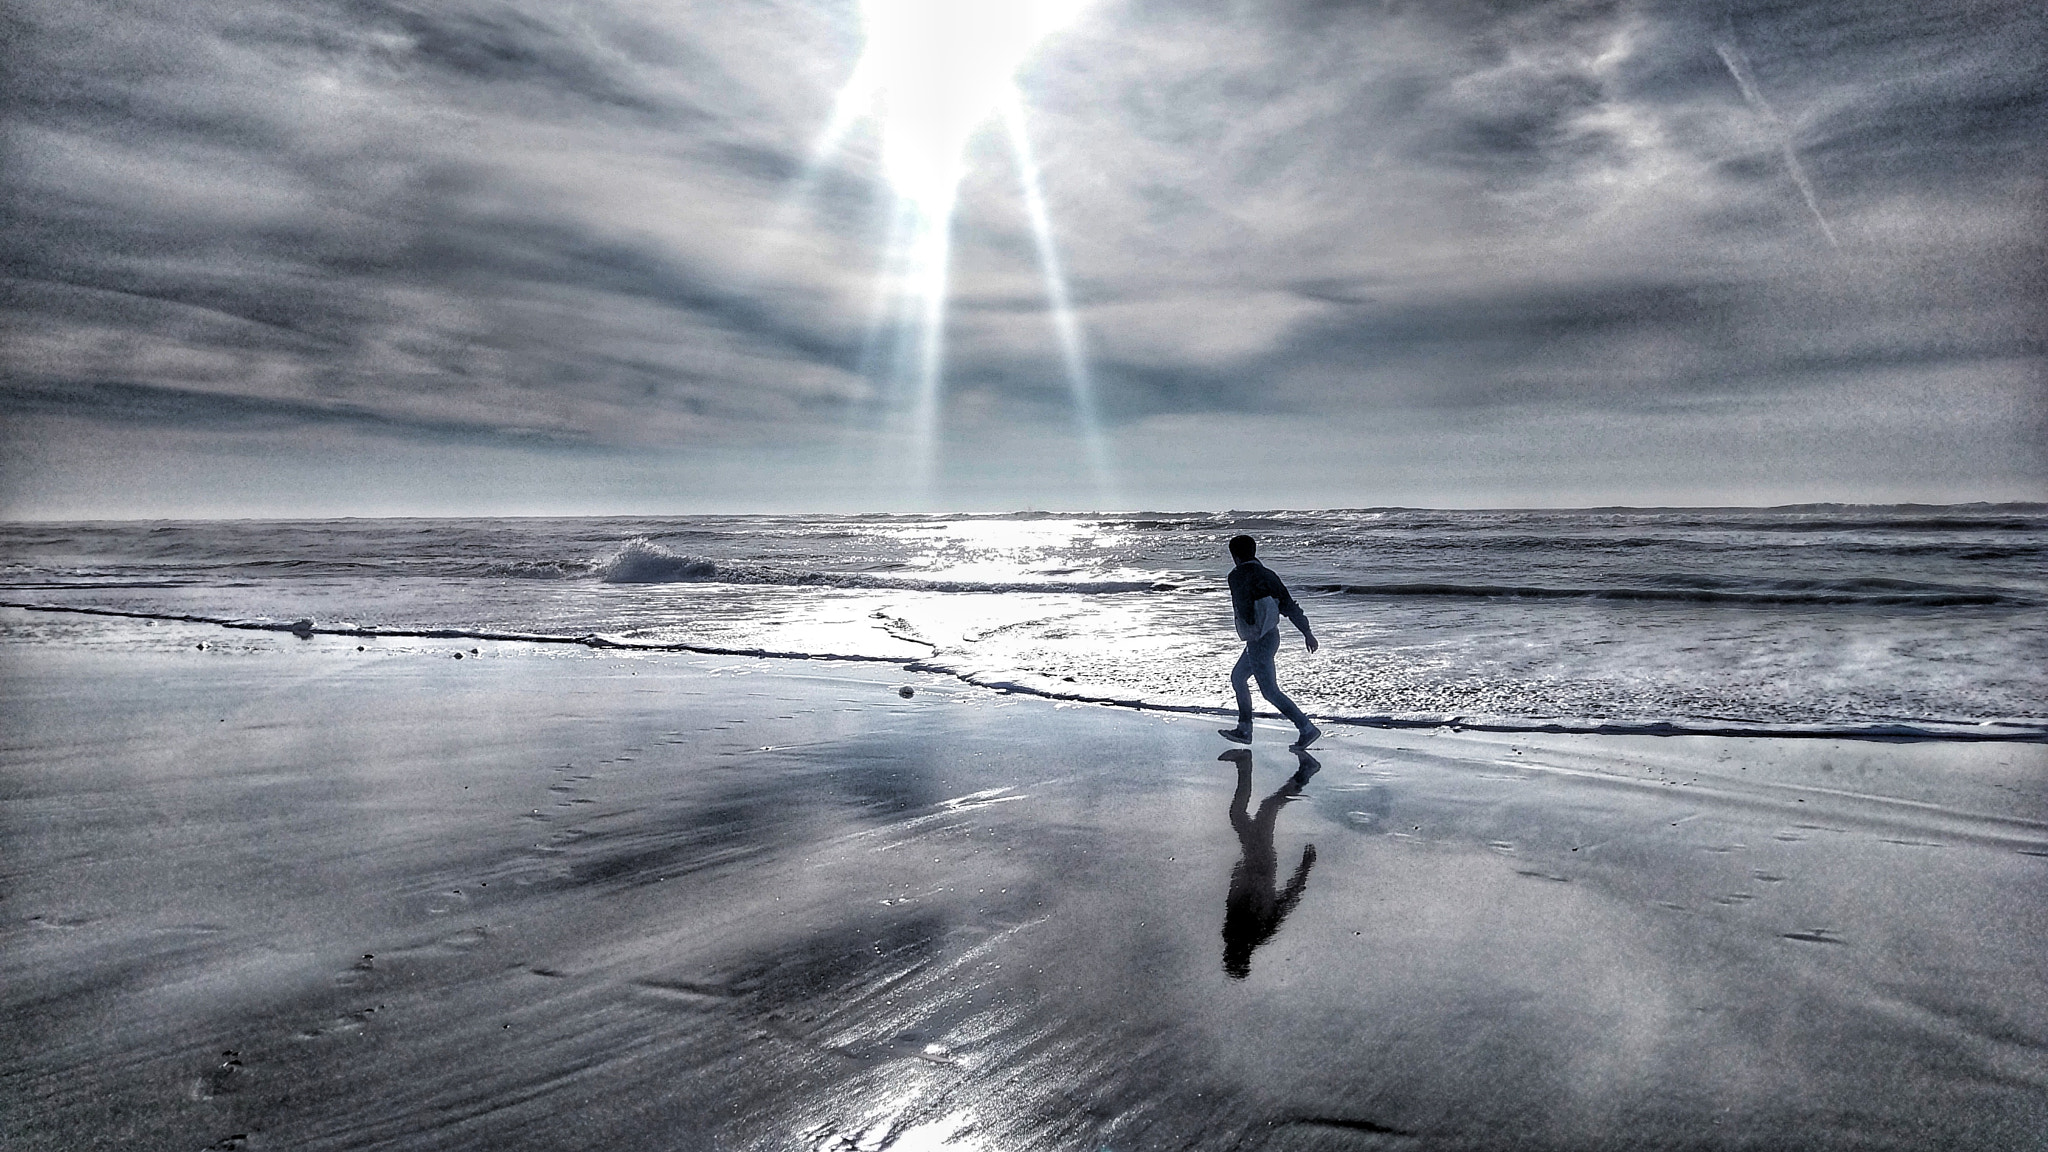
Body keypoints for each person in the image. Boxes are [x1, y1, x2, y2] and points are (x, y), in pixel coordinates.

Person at [1219, 748, 1319, 979]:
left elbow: (1233, 899)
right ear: (1244, 957)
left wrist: (1236, 874)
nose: (1229, 951)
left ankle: (1245, 763)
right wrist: (1305, 867)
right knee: (1264, 808)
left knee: (1245, 813)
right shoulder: (1259, 931)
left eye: (1229, 955)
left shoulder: (1232, 933)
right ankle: (1305, 771)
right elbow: (1287, 900)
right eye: (1233, 956)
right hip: (1261, 863)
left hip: (1253, 862)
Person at [1219, 534, 1321, 749]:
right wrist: (1307, 632)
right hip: (1270, 635)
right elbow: (1288, 605)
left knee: (1269, 691)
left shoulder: (1236, 575)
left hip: (1259, 639)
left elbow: (1244, 609)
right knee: (1238, 678)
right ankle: (1244, 728)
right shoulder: (1268, 574)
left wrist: (1248, 624)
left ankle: (1306, 728)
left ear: (1235, 556)